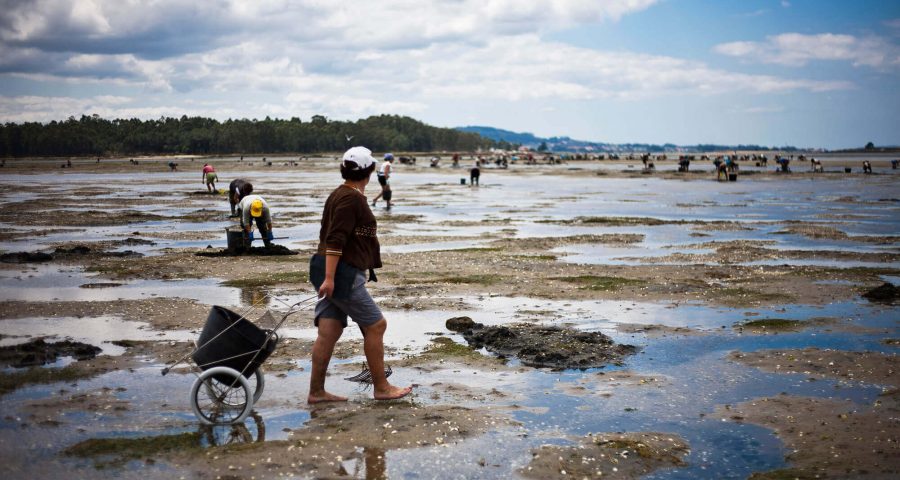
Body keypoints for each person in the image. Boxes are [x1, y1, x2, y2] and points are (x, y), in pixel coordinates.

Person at [308, 146, 412, 404]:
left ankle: (316, 392)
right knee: (376, 325)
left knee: (329, 330)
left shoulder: (340, 193)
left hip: (327, 267)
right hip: (340, 271)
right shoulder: (351, 198)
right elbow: (334, 240)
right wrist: (331, 278)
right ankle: (382, 387)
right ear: (370, 170)